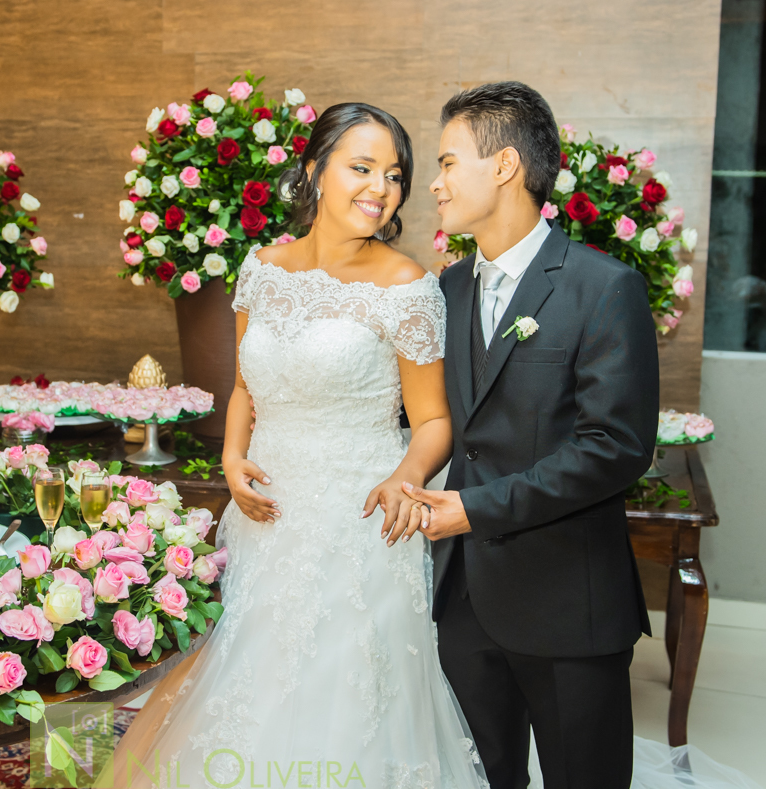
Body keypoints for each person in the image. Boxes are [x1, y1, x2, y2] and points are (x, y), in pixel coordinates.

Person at [104, 102, 489, 788]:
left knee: (340, 690)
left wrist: (407, 475)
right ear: (314, 171)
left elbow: (433, 421)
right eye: (361, 167)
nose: (381, 187)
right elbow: (247, 387)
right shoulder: (262, 268)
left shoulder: (407, 287)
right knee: (248, 668)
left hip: (362, 518)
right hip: (267, 509)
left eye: (395, 174)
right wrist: (229, 456)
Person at [403, 81, 658, 789]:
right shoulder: (446, 290)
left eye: (450, 162)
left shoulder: (602, 288)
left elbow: (616, 450)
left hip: (567, 606)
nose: (436, 181)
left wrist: (475, 508)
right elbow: (441, 419)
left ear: (506, 166)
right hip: (462, 602)